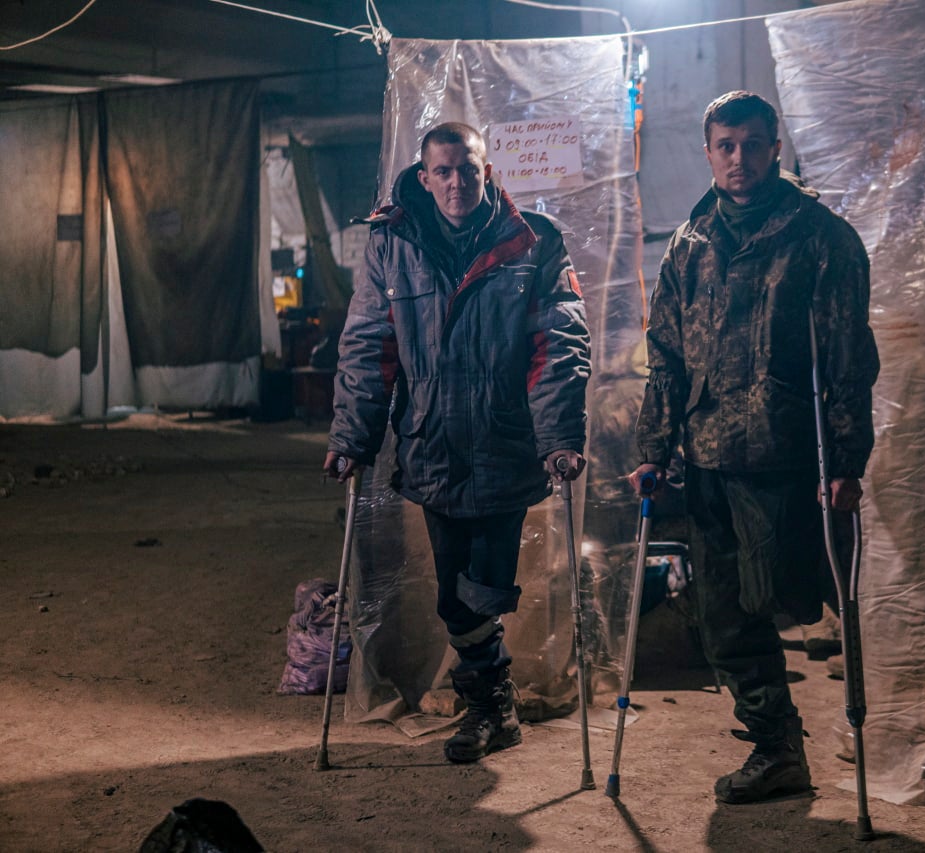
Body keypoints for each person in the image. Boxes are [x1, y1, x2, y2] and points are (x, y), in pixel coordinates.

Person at [629, 91, 878, 804]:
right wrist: (655, 447)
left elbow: (847, 360)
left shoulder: (822, 238)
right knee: (723, 613)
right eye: (725, 146)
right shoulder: (690, 242)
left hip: (785, 453)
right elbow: (667, 356)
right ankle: (777, 747)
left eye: (752, 144)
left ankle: (829, 731)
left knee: (787, 595)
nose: (739, 158)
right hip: (705, 455)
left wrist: (848, 458)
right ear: (709, 152)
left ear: (775, 146)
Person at [325, 121, 591, 764]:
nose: (455, 182)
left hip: (503, 444)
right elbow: (370, 343)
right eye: (442, 171)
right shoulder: (392, 244)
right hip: (434, 445)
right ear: (423, 177)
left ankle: (487, 707)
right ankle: (492, 709)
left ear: (488, 172)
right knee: (454, 596)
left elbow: (557, 346)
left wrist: (557, 436)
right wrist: (352, 436)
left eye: (467, 169)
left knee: (484, 590)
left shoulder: (533, 241)